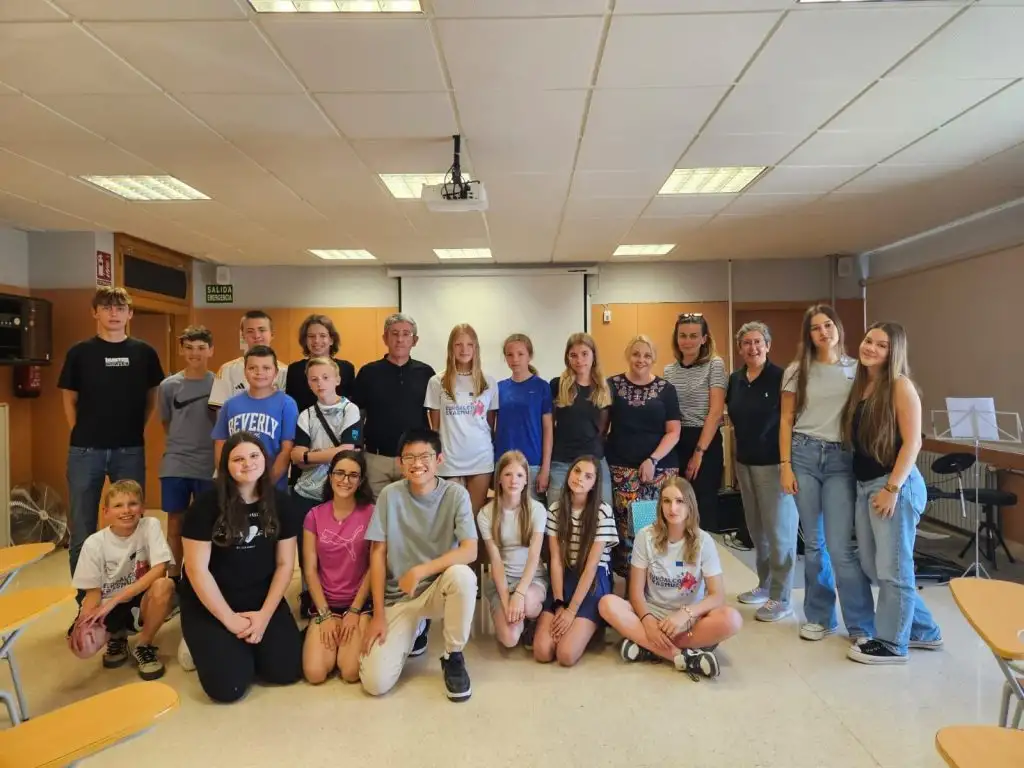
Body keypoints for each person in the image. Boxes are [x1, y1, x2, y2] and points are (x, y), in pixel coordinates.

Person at [842, 322, 943, 665]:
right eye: (868, 340)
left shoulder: (900, 385)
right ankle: (924, 631)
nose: (870, 347)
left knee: (894, 568)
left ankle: (892, 643)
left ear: (893, 351)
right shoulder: (863, 385)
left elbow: (913, 442)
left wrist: (892, 488)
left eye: (881, 345)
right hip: (866, 485)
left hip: (892, 484)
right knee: (874, 566)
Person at [179, 432, 302, 703]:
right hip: (213, 602)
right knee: (229, 688)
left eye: (254, 455)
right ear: (226, 465)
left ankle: (240, 645)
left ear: (265, 460)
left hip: (259, 596)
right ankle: (196, 640)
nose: (248, 463)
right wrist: (229, 620)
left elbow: (285, 565)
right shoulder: (205, 506)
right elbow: (197, 570)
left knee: (286, 670)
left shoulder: (281, 503)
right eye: (238, 459)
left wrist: (264, 616)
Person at [360, 428, 478, 702]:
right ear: (400, 463)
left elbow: (470, 550)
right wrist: (378, 614)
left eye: (425, 456)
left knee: (462, 576)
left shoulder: (456, 495)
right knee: (375, 683)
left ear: (439, 460)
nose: (417, 464)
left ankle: (453, 655)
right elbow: (377, 554)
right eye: (409, 457)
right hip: (400, 595)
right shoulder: (389, 495)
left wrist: (421, 570)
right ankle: (417, 628)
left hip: (438, 588)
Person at [780, 304, 873, 642]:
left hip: (840, 460)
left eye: (828, 325)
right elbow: (786, 420)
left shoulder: (857, 369)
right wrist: (785, 466)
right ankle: (820, 617)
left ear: (838, 329)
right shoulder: (796, 370)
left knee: (840, 546)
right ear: (808, 334)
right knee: (814, 544)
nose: (823, 332)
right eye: (816, 327)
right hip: (804, 456)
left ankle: (861, 625)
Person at [59, 286, 165, 579]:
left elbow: (152, 398)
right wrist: (81, 432)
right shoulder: (80, 353)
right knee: (82, 526)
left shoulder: (144, 353)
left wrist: (134, 429)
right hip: (85, 451)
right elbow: (69, 398)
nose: (114, 314)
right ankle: (86, 598)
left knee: (132, 523)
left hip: (129, 449)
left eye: (120, 308)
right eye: (106, 308)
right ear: (95, 313)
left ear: (130, 314)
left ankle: (130, 594)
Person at [598, 477, 741, 679]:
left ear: (690, 505)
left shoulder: (704, 540)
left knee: (732, 619)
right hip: (653, 612)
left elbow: (717, 596)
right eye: (666, 501)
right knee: (607, 604)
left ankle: (648, 646)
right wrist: (647, 621)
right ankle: (681, 656)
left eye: (679, 501)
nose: (672, 508)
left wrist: (686, 614)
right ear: (660, 505)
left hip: (689, 620)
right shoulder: (645, 536)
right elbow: (636, 593)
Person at [725, 322, 798, 623]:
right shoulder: (735, 380)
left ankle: (782, 598)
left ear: (768, 345)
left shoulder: (782, 377)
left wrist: (788, 465)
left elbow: (791, 421)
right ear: (740, 348)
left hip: (774, 465)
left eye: (758, 342)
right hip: (745, 464)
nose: (752, 347)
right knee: (757, 531)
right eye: (746, 343)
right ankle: (765, 584)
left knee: (779, 533)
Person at [68, 480, 175, 681]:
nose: (126, 510)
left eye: (133, 504)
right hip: (108, 606)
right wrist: (84, 620)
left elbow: (160, 569)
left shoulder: (150, 526)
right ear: (106, 512)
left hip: (138, 600)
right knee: (83, 648)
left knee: (165, 585)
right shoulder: (93, 544)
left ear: (142, 508)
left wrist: (116, 599)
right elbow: (93, 593)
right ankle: (116, 636)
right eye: (118, 505)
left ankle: (144, 645)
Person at [290, 356, 363, 614]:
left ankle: (343, 595)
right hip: (308, 491)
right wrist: (319, 455)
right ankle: (310, 595)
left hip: (340, 490)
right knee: (308, 549)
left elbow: (348, 452)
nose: (320, 383)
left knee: (341, 547)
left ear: (337, 379)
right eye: (314, 379)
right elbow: (296, 457)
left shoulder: (350, 410)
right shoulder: (306, 415)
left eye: (325, 377)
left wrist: (310, 454)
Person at [606, 335, 682, 576]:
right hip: (621, 469)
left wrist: (652, 460)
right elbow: (602, 427)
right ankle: (631, 582)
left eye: (647, 355)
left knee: (656, 527)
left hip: (660, 470)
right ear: (628, 356)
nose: (641, 359)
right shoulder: (611, 385)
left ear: (654, 359)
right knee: (626, 530)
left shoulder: (666, 390)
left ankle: (659, 580)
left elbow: (674, 432)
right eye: (636, 354)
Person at [532, 456, 617, 668]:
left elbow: (591, 566)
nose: (580, 478)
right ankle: (567, 622)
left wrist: (572, 611)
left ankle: (592, 623)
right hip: (565, 575)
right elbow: (556, 561)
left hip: (593, 579)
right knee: (542, 651)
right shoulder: (555, 509)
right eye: (577, 471)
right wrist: (560, 604)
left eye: (588, 476)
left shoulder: (603, 511)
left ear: (594, 484)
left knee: (566, 655)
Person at [302, 451, 374, 683]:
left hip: (358, 604)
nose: (345, 480)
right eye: (340, 473)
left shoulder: (371, 513)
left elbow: (374, 566)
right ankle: (318, 631)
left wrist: (354, 611)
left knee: (350, 672)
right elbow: (310, 569)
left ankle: (353, 630)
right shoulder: (314, 515)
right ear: (330, 476)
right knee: (315, 674)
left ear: (361, 480)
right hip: (326, 603)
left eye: (353, 475)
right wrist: (324, 615)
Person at [351, 313, 436, 498]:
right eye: (394, 334)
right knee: (378, 512)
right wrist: (356, 446)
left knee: (415, 509)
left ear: (415, 340)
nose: (400, 339)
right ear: (385, 338)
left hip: (415, 459)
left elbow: (435, 414)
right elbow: (356, 415)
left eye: (406, 334)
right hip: (376, 459)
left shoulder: (427, 373)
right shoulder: (368, 372)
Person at [159, 325, 216, 597]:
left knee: (207, 523)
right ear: (182, 349)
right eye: (190, 348)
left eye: (201, 348)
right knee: (175, 523)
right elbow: (166, 422)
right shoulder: (168, 386)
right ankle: (174, 579)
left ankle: (204, 578)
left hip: (208, 464)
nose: (195, 353)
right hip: (176, 463)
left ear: (211, 350)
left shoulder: (219, 384)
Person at [425, 324, 499, 515]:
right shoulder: (437, 381)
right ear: (451, 348)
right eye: (458, 344)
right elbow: (435, 427)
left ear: (476, 348)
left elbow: (490, 424)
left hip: (480, 459)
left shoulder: (489, 382)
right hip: (449, 460)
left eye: (469, 344)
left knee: (474, 516)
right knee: (452, 517)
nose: (464, 349)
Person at [477, 450, 548, 650]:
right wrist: (507, 600)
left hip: (532, 580)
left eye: (519, 475)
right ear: (499, 479)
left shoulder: (537, 510)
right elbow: (496, 561)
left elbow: (534, 556)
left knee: (527, 604)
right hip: (502, 581)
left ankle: (533, 619)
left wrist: (520, 594)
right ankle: (511, 616)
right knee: (509, 639)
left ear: (526, 481)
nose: (513, 480)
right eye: (507, 474)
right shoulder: (486, 514)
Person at [662, 313, 727, 527]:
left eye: (693, 336)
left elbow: (715, 412)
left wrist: (699, 453)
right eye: (683, 335)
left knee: (702, 507)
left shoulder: (714, 365)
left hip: (704, 440)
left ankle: (702, 547)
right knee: (677, 504)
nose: (687, 341)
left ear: (704, 339)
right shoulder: (669, 371)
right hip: (677, 440)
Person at [212, 345, 298, 491]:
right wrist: (228, 479)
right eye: (252, 368)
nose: (259, 373)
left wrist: (266, 485)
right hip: (236, 487)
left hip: (272, 488)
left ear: (276, 372)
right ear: (245, 372)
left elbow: (287, 450)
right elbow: (220, 444)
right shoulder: (230, 404)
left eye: (266, 368)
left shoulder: (287, 404)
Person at [548, 332, 613, 505]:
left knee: (604, 511)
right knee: (556, 512)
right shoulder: (557, 385)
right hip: (562, 461)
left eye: (584, 354)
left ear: (593, 356)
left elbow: (604, 428)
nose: (579, 360)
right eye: (573, 355)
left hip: (594, 461)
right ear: (567, 358)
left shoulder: (604, 388)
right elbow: (549, 426)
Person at [493, 334, 552, 501]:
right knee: (505, 512)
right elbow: (491, 428)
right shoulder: (498, 388)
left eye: (520, 354)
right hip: (503, 463)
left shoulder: (542, 387)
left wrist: (545, 469)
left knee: (532, 513)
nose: (515, 359)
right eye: (510, 355)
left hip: (532, 464)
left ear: (529, 356)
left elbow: (548, 430)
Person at [208, 310, 287, 410]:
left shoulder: (285, 371)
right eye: (250, 331)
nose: (257, 336)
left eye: (262, 330)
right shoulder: (227, 370)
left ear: (272, 334)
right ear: (243, 335)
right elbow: (220, 411)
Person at [285, 313, 357, 413]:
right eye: (311, 336)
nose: (316, 340)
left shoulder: (346, 369)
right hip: (303, 422)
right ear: (305, 340)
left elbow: (351, 404)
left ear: (331, 340)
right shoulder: (294, 370)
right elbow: (290, 406)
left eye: (322, 335)